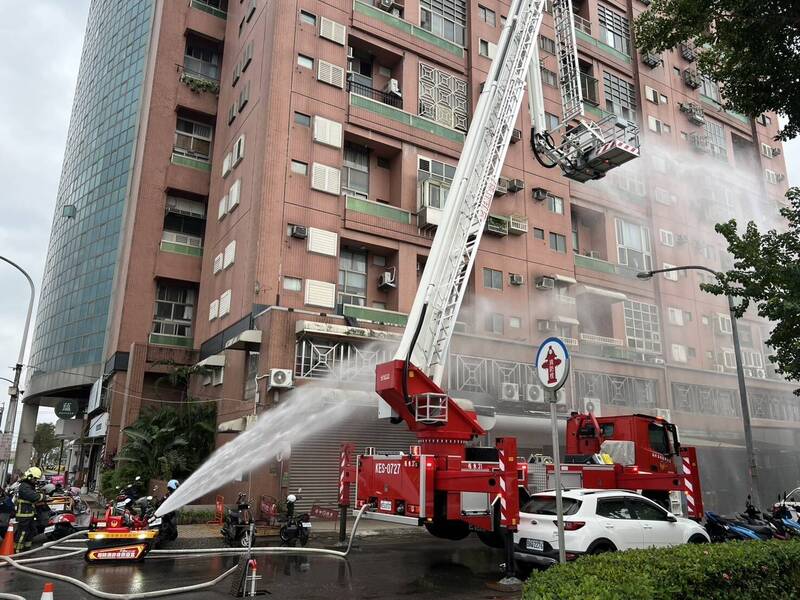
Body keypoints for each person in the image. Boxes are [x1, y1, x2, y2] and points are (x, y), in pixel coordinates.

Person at [14, 467, 45, 552]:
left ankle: (27, 549)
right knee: (23, 532)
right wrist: (43, 496)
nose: (36, 481)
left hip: (29, 513)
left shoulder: (29, 485)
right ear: (30, 477)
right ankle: (17, 550)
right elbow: (33, 497)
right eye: (35, 479)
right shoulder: (24, 486)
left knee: (32, 530)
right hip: (24, 514)